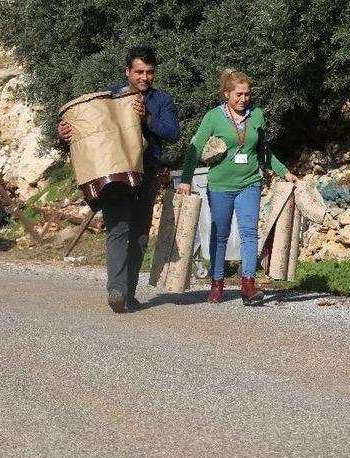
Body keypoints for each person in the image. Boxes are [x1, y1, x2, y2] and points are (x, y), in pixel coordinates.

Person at [58, 47, 181, 313]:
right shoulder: (108, 97)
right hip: (115, 173)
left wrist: (146, 117)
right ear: (128, 72)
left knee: (139, 236)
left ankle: (129, 292)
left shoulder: (162, 101)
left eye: (149, 72)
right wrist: (65, 132)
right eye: (139, 72)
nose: (144, 77)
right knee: (118, 230)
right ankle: (116, 290)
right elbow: (88, 127)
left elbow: (173, 134)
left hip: (147, 173)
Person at [178, 70, 298, 305]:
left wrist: (285, 172)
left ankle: (248, 285)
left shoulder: (257, 116)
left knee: (249, 233)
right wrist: (185, 178)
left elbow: (264, 151)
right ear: (226, 94)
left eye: (247, 95)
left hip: (250, 182)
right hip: (220, 185)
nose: (244, 99)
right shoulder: (213, 117)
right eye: (238, 95)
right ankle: (217, 283)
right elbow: (195, 148)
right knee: (219, 234)